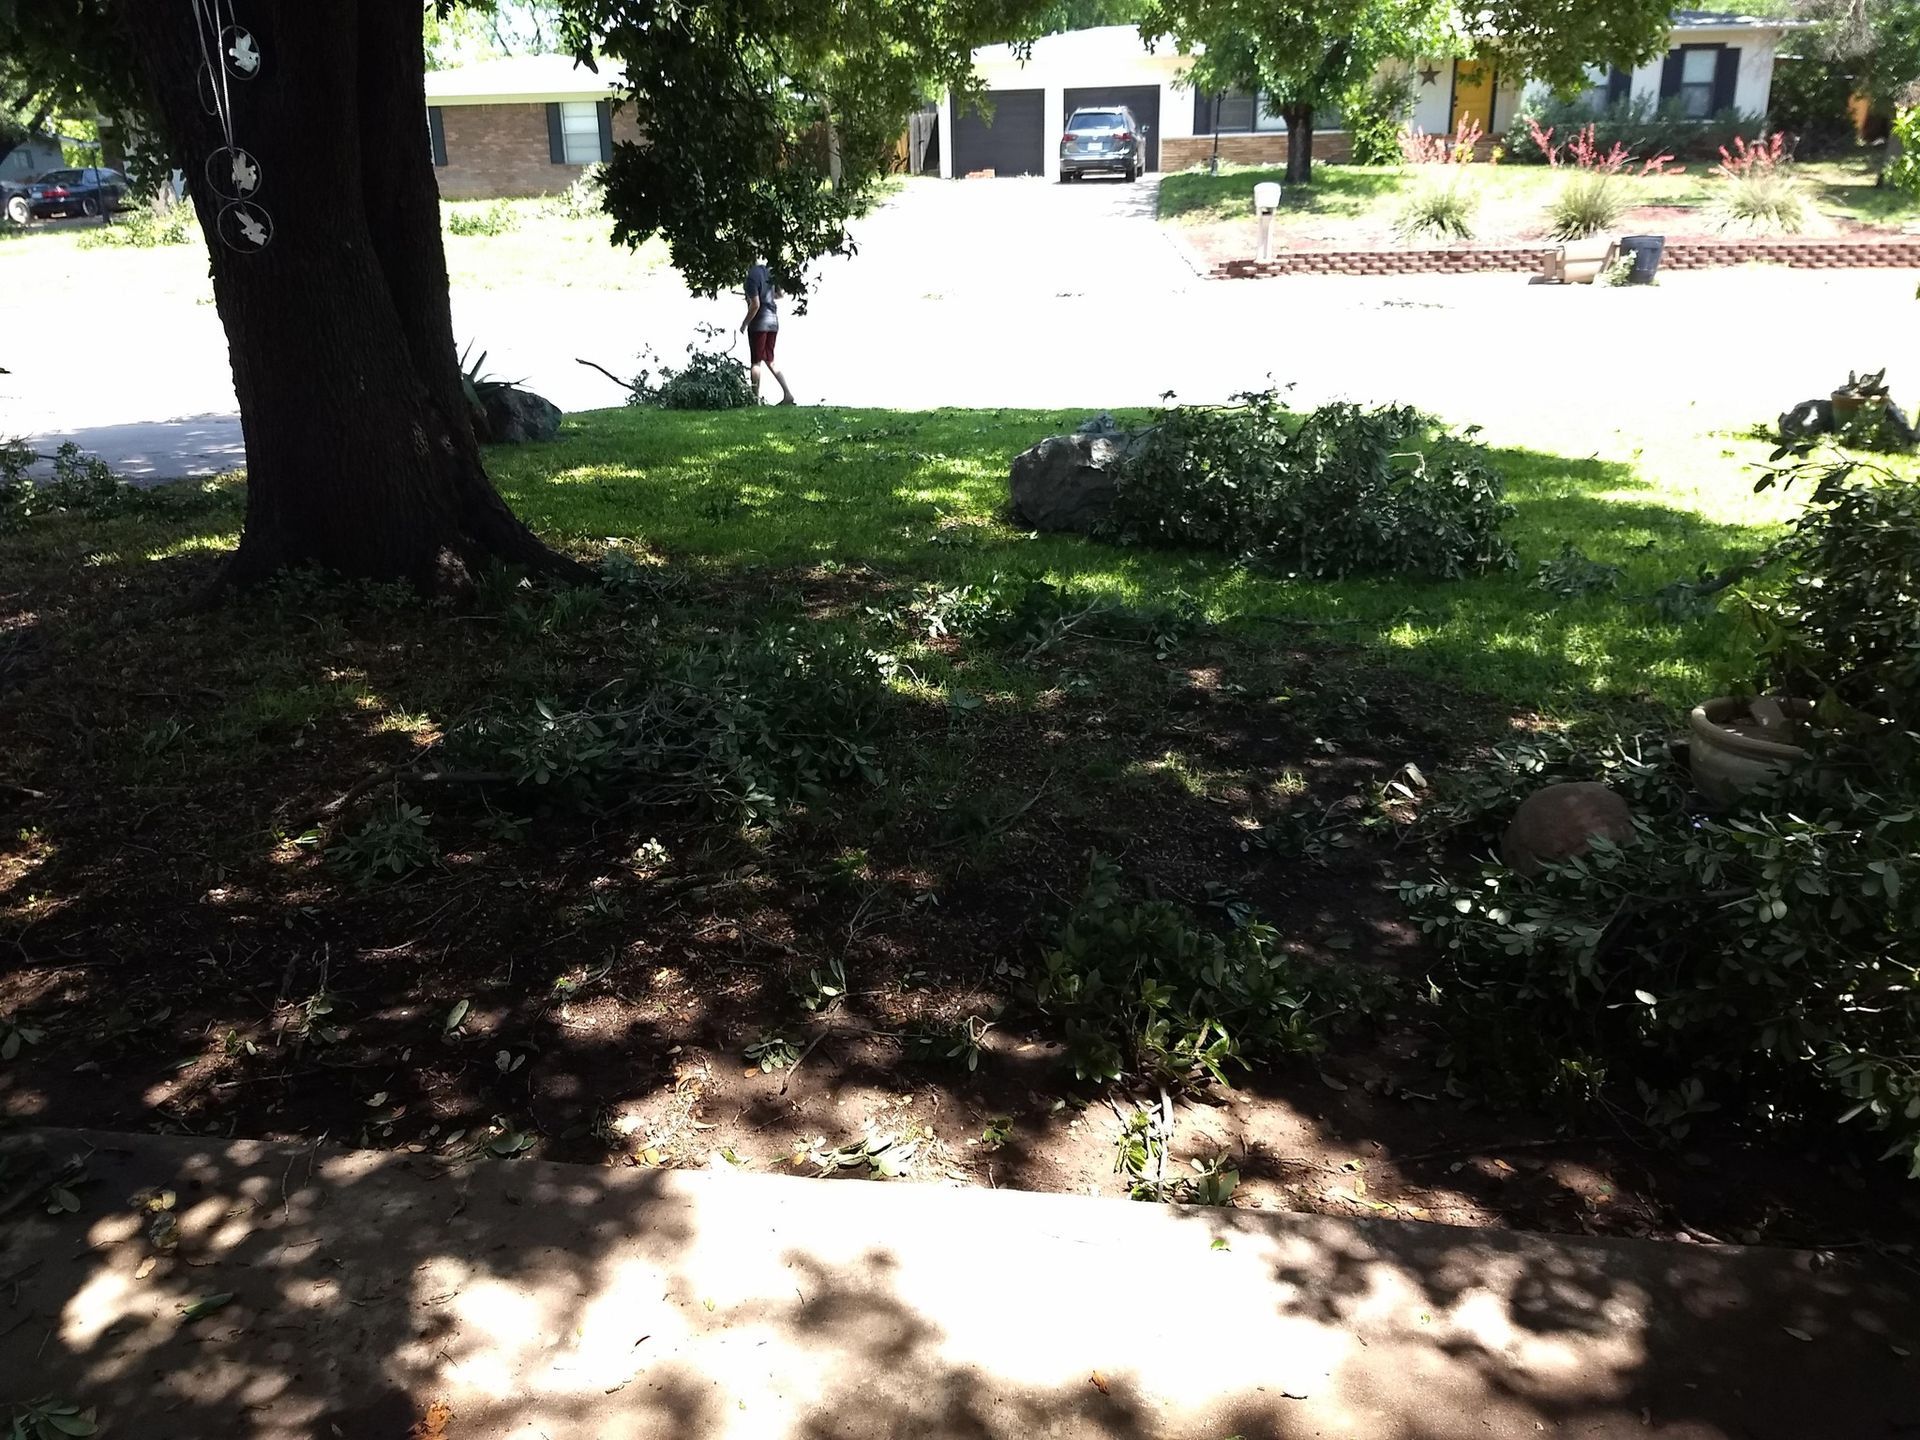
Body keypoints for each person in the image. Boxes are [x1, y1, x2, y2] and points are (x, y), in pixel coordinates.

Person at [742, 260, 796, 405]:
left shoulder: (751, 277)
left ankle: (754, 400)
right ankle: (788, 394)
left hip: (759, 323)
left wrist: (744, 323)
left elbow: (755, 305)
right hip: (773, 322)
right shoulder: (769, 272)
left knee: (755, 362)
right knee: (770, 360)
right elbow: (780, 294)